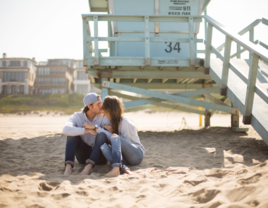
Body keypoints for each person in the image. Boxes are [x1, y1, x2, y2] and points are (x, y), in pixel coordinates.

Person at [84, 95, 145, 177]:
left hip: (136, 156)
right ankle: (123, 168)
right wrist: (102, 126)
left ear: (109, 108)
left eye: (104, 104)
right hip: (124, 158)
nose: (101, 106)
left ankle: (116, 168)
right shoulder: (110, 121)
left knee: (115, 137)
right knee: (104, 147)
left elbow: (122, 142)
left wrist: (96, 127)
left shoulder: (125, 122)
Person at [62, 93, 111, 175]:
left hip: (100, 157)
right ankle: (68, 167)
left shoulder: (104, 117)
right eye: (98, 104)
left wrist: (96, 128)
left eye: (101, 103)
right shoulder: (77, 116)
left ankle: (89, 167)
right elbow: (65, 130)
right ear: (89, 106)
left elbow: (111, 136)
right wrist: (86, 131)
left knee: (102, 134)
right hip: (83, 157)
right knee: (71, 135)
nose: (101, 106)